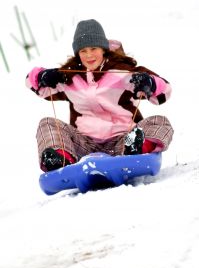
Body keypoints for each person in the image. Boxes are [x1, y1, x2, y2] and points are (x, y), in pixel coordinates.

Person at [26, 19, 174, 172]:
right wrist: (42, 76)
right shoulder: (69, 77)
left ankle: (138, 148)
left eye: (93, 48)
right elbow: (36, 86)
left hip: (123, 141)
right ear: (78, 53)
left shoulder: (124, 73)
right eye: (83, 51)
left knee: (160, 121)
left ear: (103, 49)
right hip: (84, 146)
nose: (89, 55)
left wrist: (150, 83)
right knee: (47, 124)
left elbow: (164, 93)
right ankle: (60, 159)